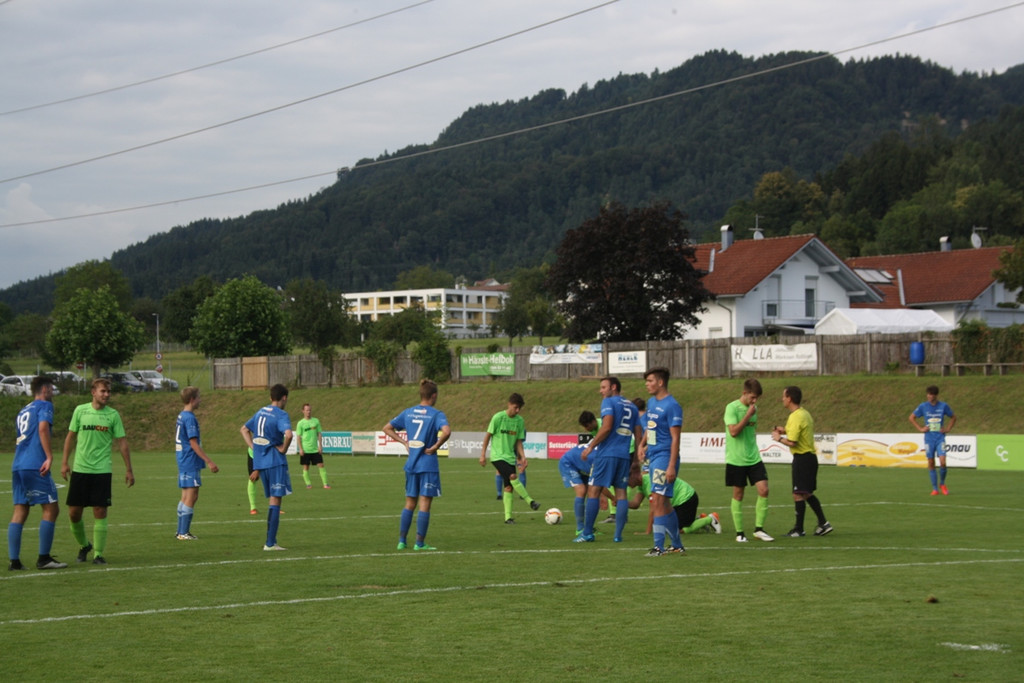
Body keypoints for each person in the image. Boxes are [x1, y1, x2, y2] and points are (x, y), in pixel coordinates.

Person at [61, 377, 134, 565]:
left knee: (100, 511)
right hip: (80, 469)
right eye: (103, 391)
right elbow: (70, 437)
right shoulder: (80, 411)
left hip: (102, 470)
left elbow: (122, 443)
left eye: (109, 391)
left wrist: (129, 469)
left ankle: (98, 554)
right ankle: (85, 545)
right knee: (74, 513)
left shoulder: (113, 415)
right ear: (93, 392)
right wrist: (64, 462)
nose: (107, 395)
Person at [383, 379, 451, 550]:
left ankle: (401, 541)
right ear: (434, 396)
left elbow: (387, 428)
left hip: (411, 464)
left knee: (409, 503)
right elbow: (447, 431)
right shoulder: (436, 414)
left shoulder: (408, 412)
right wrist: (436, 446)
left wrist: (404, 442)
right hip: (427, 464)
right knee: (424, 503)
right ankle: (419, 543)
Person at [8, 376, 67, 570]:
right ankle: (44, 558)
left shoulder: (23, 410)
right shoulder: (45, 405)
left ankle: (14, 561)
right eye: (51, 388)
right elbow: (42, 429)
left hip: (18, 465)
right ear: (45, 389)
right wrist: (49, 457)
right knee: (51, 508)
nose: (52, 392)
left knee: (20, 509)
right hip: (35, 464)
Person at [576, 376, 640, 543]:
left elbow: (607, 427)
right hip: (624, 455)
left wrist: (590, 447)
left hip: (607, 454)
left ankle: (587, 533)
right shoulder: (632, 406)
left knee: (594, 491)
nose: (601, 391)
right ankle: (618, 535)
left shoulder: (609, 402)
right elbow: (639, 433)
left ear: (613, 387)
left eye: (603, 387)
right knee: (621, 493)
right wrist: (637, 460)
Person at [636, 367, 686, 555]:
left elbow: (675, 438)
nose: (647, 384)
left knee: (656, 500)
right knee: (663, 503)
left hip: (665, 458)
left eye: (650, 381)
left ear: (660, 382)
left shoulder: (672, 406)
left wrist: (671, 465)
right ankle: (677, 545)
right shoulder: (651, 402)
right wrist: (642, 445)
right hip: (654, 456)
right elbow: (651, 428)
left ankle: (658, 546)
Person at [772, 386, 832, 537]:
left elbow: (792, 442)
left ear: (789, 398)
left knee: (798, 494)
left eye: (784, 396)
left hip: (803, 458)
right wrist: (784, 430)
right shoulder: (804, 413)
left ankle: (799, 529)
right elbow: (797, 431)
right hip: (810, 458)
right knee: (806, 493)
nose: (782, 399)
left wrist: (779, 438)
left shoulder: (795, 416)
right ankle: (823, 523)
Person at [241, 383, 293, 551]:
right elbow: (289, 434)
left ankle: (271, 542)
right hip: (275, 461)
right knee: (276, 499)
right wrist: (284, 449)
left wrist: (253, 448)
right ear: (284, 398)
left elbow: (243, 429)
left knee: (272, 498)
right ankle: (270, 542)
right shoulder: (281, 414)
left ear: (271, 397)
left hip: (261, 462)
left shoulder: (260, 412)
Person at [723, 378, 773, 543]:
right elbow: (734, 432)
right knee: (738, 494)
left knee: (764, 490)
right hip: (736, 459)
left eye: (756, 398)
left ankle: (759, 529)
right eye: (752, 397)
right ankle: (740, 533)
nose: (755, 401)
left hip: (754, 458)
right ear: (744, 393)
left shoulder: (754, 409)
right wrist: (747, 415)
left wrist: (750, 412)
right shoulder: (731, 407)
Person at [480, 393, 539, 524]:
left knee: (508, 487)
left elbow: (518, 441)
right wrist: (483, 454)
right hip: (497, 457)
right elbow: (487, 436)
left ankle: (508, 518)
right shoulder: (498, 417)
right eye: (515, 407)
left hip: (510, 457)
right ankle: (531, 501)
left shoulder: (520, 421)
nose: (517, 411)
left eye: (519, 409)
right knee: (513, 476)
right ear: (509, 404)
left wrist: (523, 457)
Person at [627, 460, 720, 540]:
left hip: (686, 500)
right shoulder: (641, 485)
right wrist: (622, 503)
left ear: (635, 476)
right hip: (678, 503)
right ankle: (699, 520)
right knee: (668, 528)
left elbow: (653, 510)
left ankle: (710, 519)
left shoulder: (649, 483)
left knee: (677, 531)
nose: (626, 483)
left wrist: (648, 531)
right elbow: (636, 504)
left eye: (627, 480)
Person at [174, 387, 219, 540]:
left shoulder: (181, 415)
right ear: (192, 399)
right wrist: (209, 461)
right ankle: (183, 533)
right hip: (190, 460)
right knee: (191, 496)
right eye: (199, 397)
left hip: (183, 459)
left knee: (186, 495)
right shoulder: (189, 418)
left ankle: (180, 531)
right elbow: (193, 443)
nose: (200, 400)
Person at [909, 385, 957, 495]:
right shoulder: (923, 406)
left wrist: (948, 429)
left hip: (940, 438)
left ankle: (942, 483)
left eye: (932, 395)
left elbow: (953, 417)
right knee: (931, 462)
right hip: (929, 439)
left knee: (943, 462)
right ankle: (935, 488)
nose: (930, 396)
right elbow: (911, 417)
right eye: (929, 394)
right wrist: (921, 428)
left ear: (936, 395)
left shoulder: (943, 406)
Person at [296, 402, 330, 489]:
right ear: (303, 411)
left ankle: (325, 484)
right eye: (307, 410)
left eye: (310, 410)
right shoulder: (300, 423)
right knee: (306, 467)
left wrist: (320, 446)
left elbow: (319, 434)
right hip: (306, 449)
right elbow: (298, 437)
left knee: (321, 465)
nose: (308, 412)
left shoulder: (316, 421)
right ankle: (308, 484)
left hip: (315, 449)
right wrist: (300, 449)